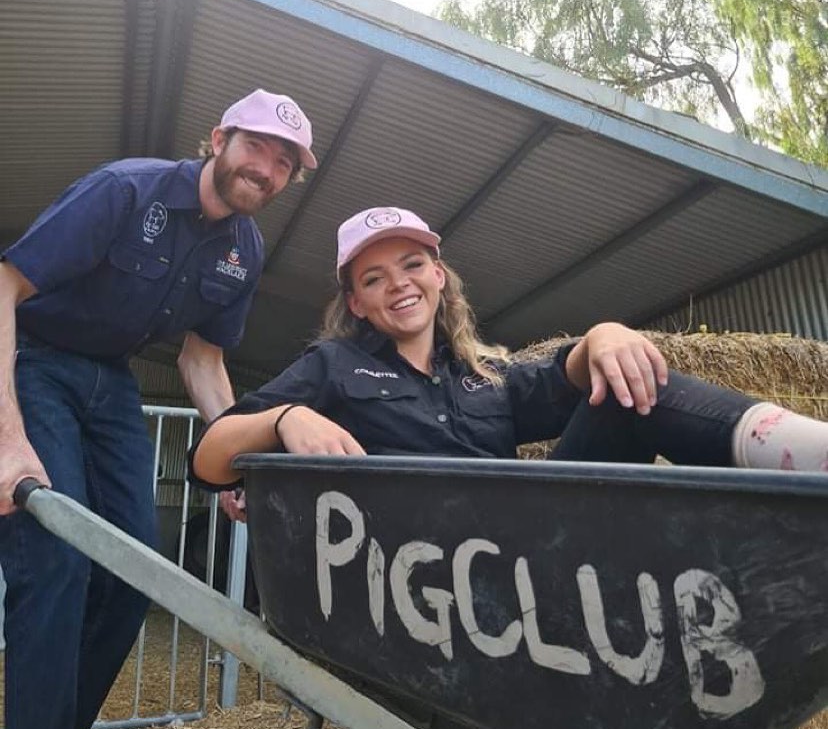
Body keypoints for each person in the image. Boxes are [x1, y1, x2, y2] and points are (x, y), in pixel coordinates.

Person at [0, 88, 318, 729]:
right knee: (57, 559)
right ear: (219, 138)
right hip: (34, 361)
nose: (265, 169)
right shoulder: (125, 191)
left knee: (136, 569)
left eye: (284, 162)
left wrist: (237, 463)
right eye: (256, 146)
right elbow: (6, 286)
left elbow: (202, 361)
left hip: (110, 380)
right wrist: (6, 438)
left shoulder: (245, 249)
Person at [191, 206, 828, 507]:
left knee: (625, 384)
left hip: (541, 538)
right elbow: (210, 458)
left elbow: (566, 377)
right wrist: (282, 420)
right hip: (432, 575)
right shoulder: (331, 368)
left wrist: (601, 336)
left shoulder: (485, 376)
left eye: (411, 266)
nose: (399, 285)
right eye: (374, 279)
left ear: (439, 275)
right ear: (356, 303)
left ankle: (808, 457)